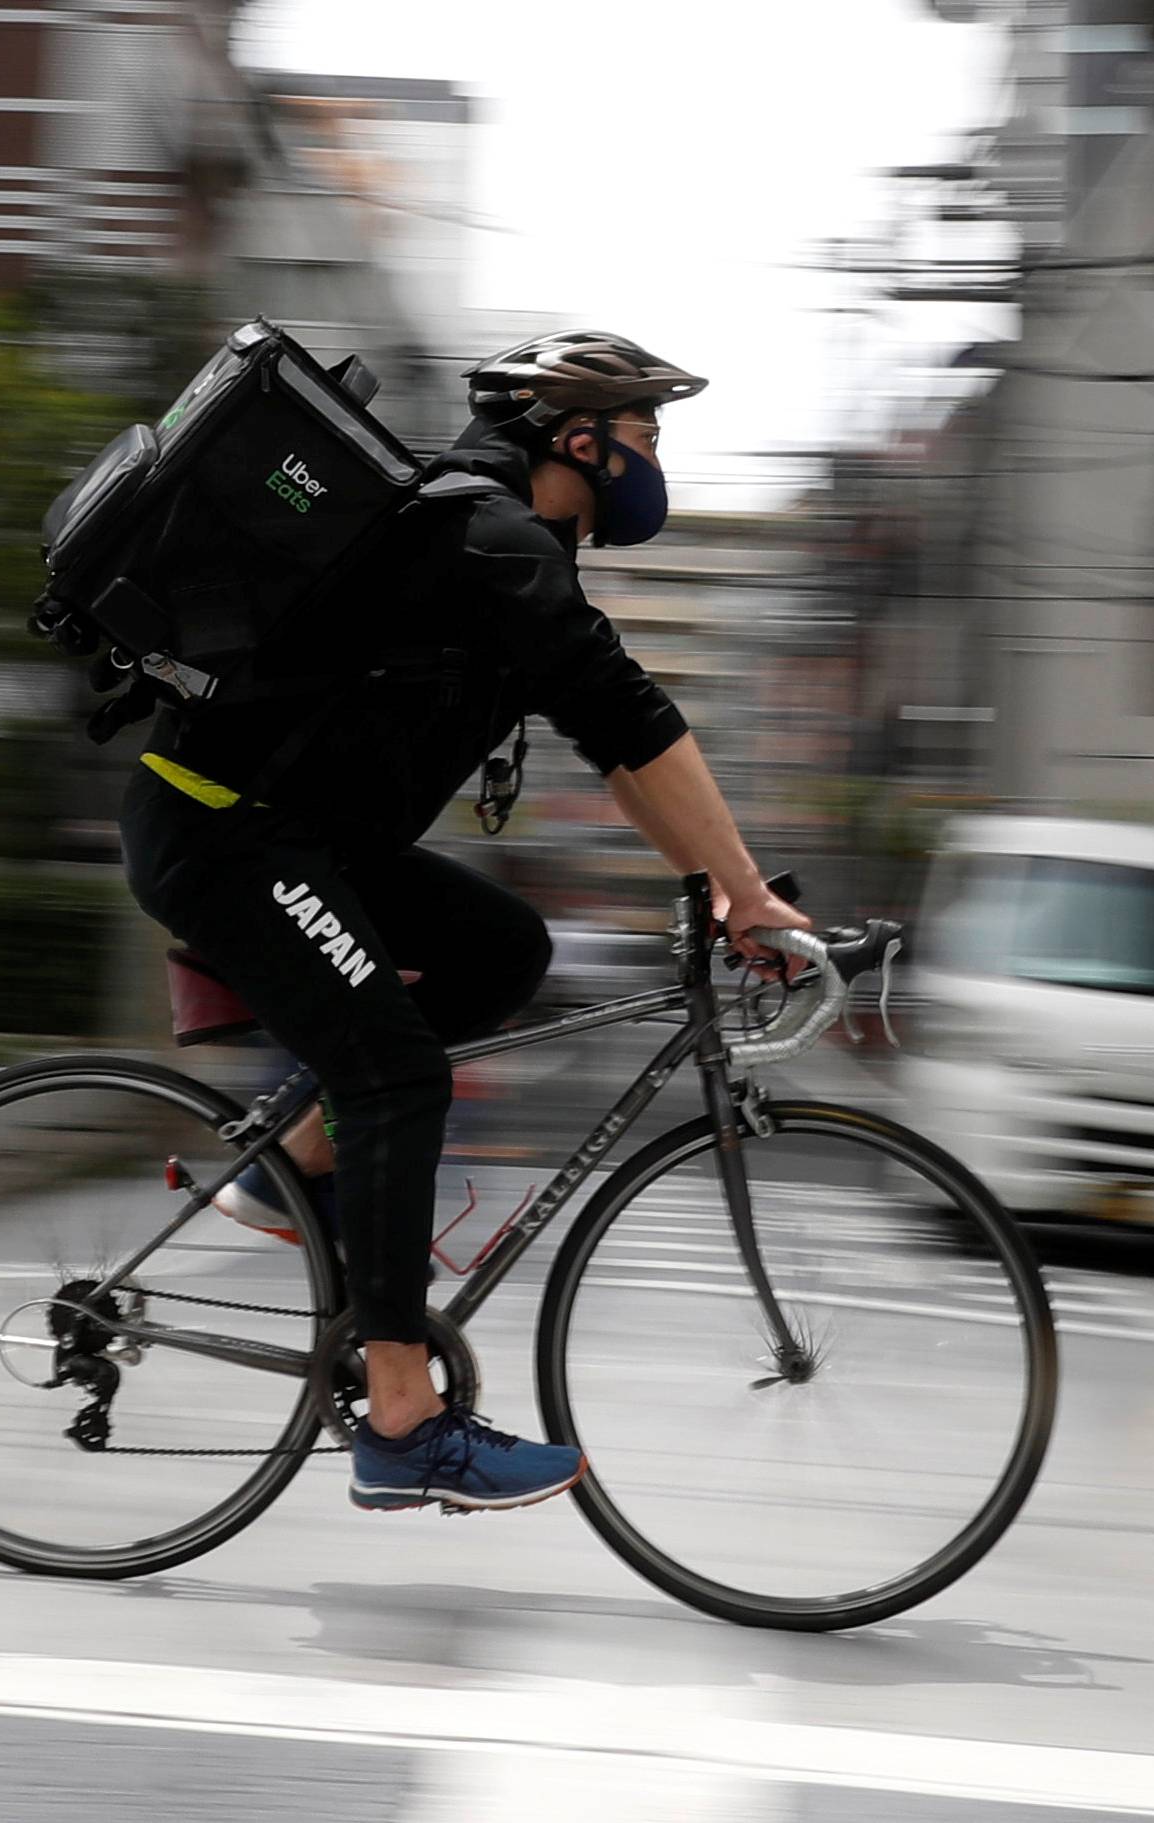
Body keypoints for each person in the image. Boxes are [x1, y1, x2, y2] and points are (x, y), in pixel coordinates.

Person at [118, 329, 810, 1514]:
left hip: (305, 841)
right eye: (645, 432)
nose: (653, 457)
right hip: (223, 830)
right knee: (394, 1075)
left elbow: (618, 748)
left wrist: (717, 882)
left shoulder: (509, 549)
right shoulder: (480, 537)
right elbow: (634, 716)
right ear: (579, 439)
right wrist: (742, 888)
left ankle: (292, 1166)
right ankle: (401, 1420)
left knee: (504, 950)